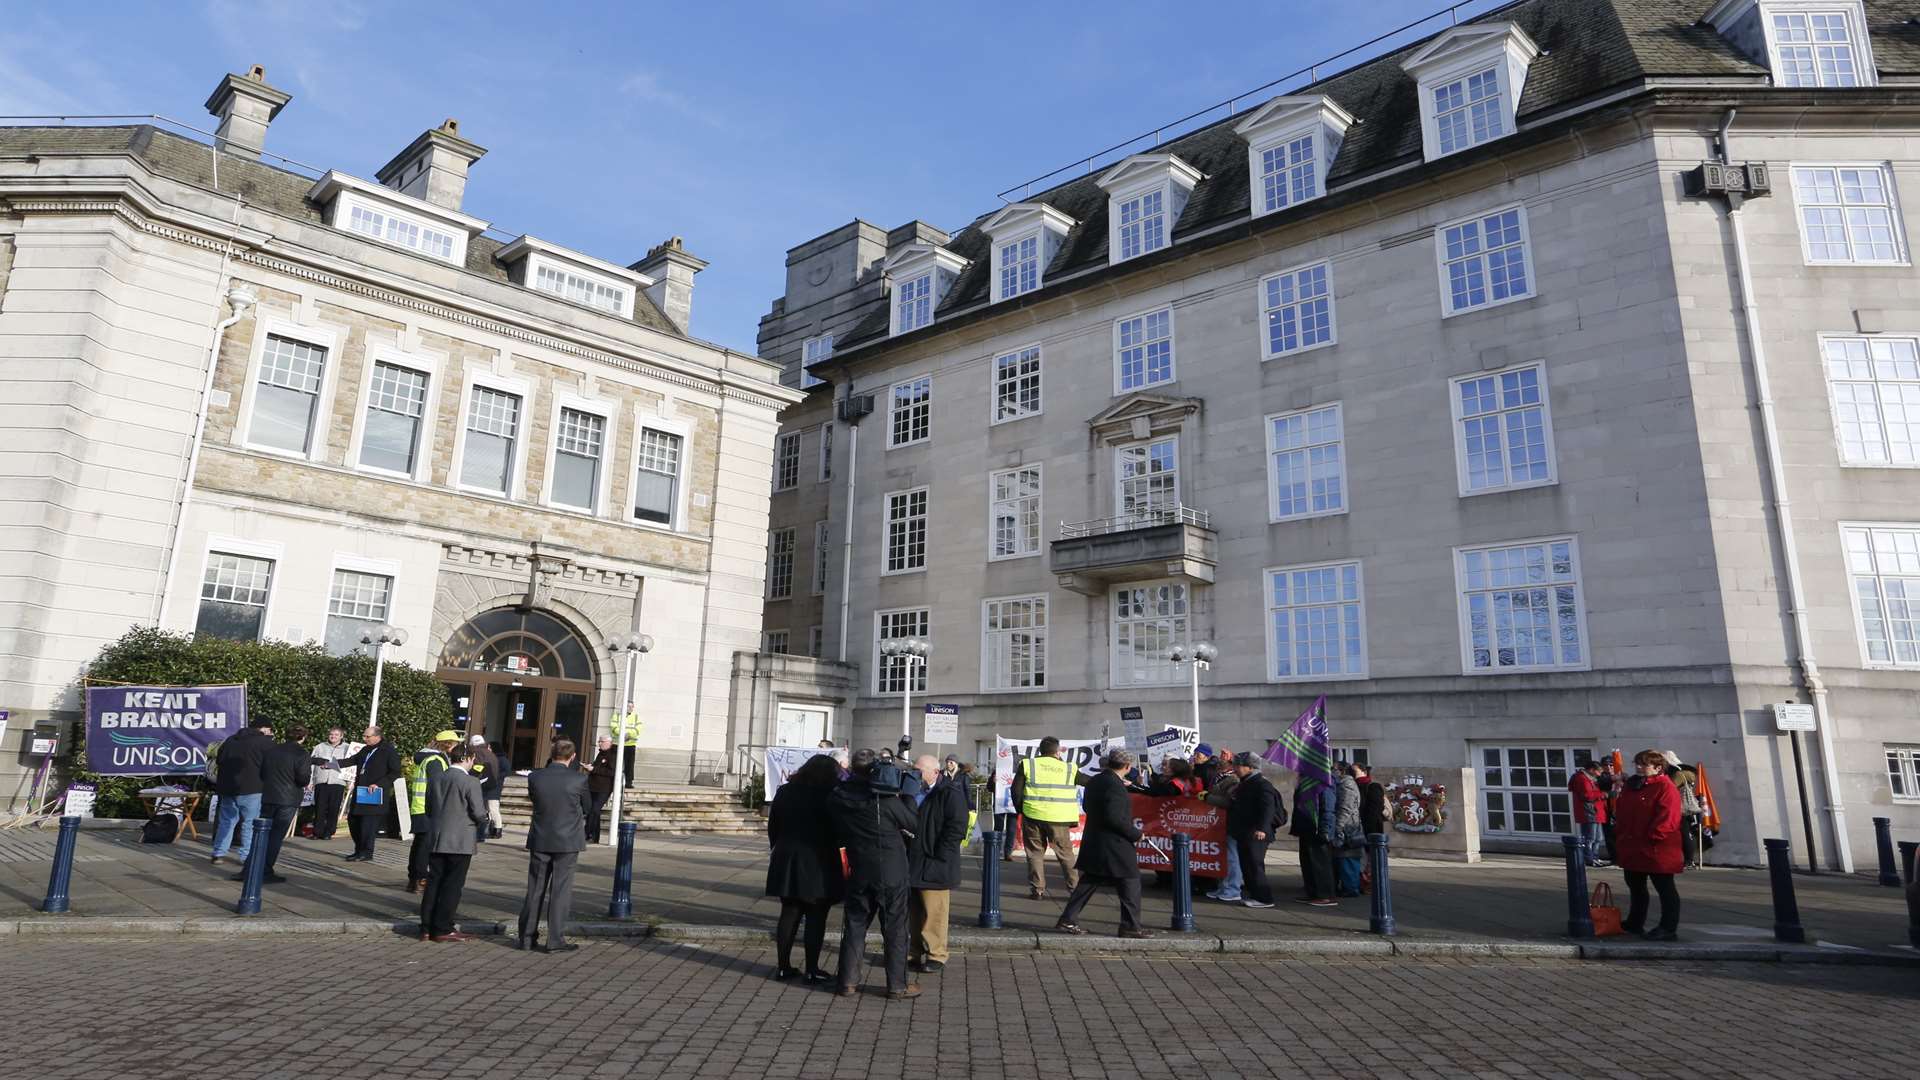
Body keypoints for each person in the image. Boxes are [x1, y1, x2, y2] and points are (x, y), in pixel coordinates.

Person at [827, 748, 920, 999]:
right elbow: (912, 823)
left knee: (855, 926)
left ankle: (847, 982)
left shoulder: (839, 796)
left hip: (859, 869)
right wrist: (909, 795)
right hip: (891, 872)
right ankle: (897, 985)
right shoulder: (885, 799)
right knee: (895, 929)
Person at [1055, 749, 1151, 939]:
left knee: (1091, 880)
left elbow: (1087, 807)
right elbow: (1114, 817)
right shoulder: (1114, 785)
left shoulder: (1096, 780)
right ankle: (1130, 925)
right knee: (1130, 880)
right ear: (1127, 766)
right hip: (1114, 843)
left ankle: (1068, 918)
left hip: (1096, 839)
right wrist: (1135, 834)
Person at [765, 754, 844, 982]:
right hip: (819, 860)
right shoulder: (832, 794)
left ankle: (783, 966)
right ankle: (812, 968)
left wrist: (778, 847)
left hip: (787, 857)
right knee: (816, 915)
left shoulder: (785, 791)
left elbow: (774, 826)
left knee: (789, 913)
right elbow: (838, 830)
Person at [517, 739, 592, 952]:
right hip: (567, 840)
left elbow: (534, 799)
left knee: (535, 889)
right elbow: (587, 806)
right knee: (560, 890)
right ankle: (555, 940)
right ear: (573, 756)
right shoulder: (578, 779)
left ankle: (526, 938)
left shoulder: (536, 777)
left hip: (541, 836)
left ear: (552, 753)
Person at [419, 742, 490, 943]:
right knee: (452, 885)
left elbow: (429, 807)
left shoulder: (436, 778)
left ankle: (426, 927)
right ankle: (443, 927)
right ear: (468, 758)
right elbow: (477, 812)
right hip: (460, 840)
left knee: (434, 883)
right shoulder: (471, 782)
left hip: (437, 837)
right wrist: (484, 820)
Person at [907, 754, 968, 974]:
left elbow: (957, 827)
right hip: (913, 859)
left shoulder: (949, 793)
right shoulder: (911, 791)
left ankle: (936, 954)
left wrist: (940, 854)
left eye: (919, 770)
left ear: (935, 772)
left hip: (935, 862)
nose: (915, 774)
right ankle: (913, 952)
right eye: (914, 769)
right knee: (913, 911)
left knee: (934, 912)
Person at [1614, 748, 1684, 941]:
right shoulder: (1632, 785)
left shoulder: (1665, 786)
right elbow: (1622, 810)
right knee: (1635, 886)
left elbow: (1668, 817)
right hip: (1633, 844)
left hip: (1656, 847)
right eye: (1637, 763)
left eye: (1644, 764)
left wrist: (1654, 836)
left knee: (1665, 888)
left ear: (1658, 767)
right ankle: (1635, 923)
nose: (1639, 767)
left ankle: (1668, 927)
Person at [236, 724, 311, 884]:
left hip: (269, 796)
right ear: (303, 738)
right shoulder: (301, 753)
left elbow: (263, 773)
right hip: (288, 799)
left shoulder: (272, 750)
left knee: (261, 834)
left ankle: (249, 868)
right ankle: (265, 870)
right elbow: (303, 779)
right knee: (275, 836)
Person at [1010, 736, 1081, 900]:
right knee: (1066, 855)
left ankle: (1037, 890)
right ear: (1057, 752)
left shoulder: (1028, 764)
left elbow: (1015, 790)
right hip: (1059, 818)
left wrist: (1022, 810)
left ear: (1040, 751)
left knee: (1035, 853)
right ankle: (1074, 890)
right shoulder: (1069, 768)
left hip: (1033, 815)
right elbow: (1088, 781)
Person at [209, 717, 273, 866]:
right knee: (249, 824)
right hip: (252, 788)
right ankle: (246, 856)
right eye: (270, 730)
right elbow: (270, 765)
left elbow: (219, 760)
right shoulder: (264, 743)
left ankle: (218, 853)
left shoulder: (230, 740)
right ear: (263, 728)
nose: (270, 733)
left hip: (227, 787)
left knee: (226, 821)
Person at [332, 726, 402, 862]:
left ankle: (366, 852)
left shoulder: (388, 751)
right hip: (361, 792)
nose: (364, 739)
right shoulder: (365, 749)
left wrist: (379, 784)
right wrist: (330, 764)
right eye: (364, 736)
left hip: (374, 793)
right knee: (354, 821)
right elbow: (351, 761)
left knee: (368, 826)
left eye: (367, 737)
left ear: (377, 737)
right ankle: (358, 850)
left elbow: (395, 772)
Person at [1227, 752, 1283, 909]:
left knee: (1254, 865)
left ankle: (1264, 897)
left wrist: (1262, 828)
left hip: (1256, 833)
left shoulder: (1261, 784)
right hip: (1245, 831)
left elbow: (1268, 808)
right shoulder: (1245, 783)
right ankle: (1255, 895)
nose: (1235, 769)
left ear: (1250, 767)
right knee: (1247, 865)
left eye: (1238, 766)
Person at [406, 731, 459, 893]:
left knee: (419, 846)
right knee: (424, 847)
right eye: (456, 744)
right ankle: (421, 879)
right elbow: (438, 787)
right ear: (448, 744)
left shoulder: (427, 758)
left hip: (419, 808)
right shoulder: (435, 761)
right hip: (428, 809)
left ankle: (414, 879)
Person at [1289, 767, 1338, 907]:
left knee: (1320, 862)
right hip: (1306, 827)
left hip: (1318, 827)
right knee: (1307, 861)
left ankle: (1326, 895)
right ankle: (1312, 892)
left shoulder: (1324, 780)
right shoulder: (1305, 780)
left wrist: (1326, 828)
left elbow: (1328, 806)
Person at [1203, 753, 1243, 902]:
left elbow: (1228, 802)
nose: (1220, 763)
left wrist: (1208, 798)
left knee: (1232, 857)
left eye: (1224, 761)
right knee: (1224, 856)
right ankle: (1223, 886)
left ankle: (1232, 888)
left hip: (1231, 822)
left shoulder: (1233, 780)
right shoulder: (1220, 777)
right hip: (1220, 823)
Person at [309, 728, 352, 840]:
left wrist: (350, 782)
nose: (333, 736)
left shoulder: (348, 748)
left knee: (334, 808)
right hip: (321, 780)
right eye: (331, 734)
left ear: (341, 736)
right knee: (319, 807)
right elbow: (312, 763)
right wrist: (310, 780)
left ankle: (329, 832)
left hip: (338, 781)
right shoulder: (319, 747)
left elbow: (350, 766)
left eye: (336, 734)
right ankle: (317, 832)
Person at [1331, 765, 1365, 898]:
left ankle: (1351, 888)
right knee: (1343, 859)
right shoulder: (1342, 784)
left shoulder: (1347, 785)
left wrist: (1338, 826)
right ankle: (1347, 887)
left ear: (1342, 771)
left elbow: (1346, 808)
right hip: (1346, 828)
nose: (1333, 771)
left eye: (1335, 769)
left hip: (1349, 829)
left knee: (1348, 860)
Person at [1569, 760, 1610, 867]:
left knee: (1597, 838)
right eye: (1599, 771)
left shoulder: (1589, 779)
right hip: (1589, 811)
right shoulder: (1582, 779)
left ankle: (1595, 857)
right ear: (1592, 770)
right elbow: (1587, 795)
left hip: (1595, 811)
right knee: (1590, 837)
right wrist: (1603, 794)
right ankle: (1589, 858)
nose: (1600, 774)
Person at [585, 735, 617, 844]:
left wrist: (594, 769)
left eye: (601, 741)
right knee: (592, 810)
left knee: (595, 809)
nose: (599, 743)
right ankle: (593, 836)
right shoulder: (601, 753)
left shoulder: (613, 755)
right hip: (593, 786)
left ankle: (588, 833)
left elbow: (611, 772)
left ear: (609, 743)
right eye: (599, 741)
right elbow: (598, 767)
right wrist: (590, 767)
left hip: (604, 787)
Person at [473, 737, 506, 839]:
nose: (489, 748)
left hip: (492, 787)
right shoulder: (493, 756)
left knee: (492, 808)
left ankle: (497, 830)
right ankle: (494, 829)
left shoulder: (482, 754)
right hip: (493, 786)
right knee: (490, 809)